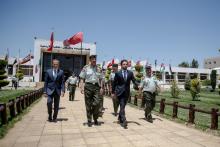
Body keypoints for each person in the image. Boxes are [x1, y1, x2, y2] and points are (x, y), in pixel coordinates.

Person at [112, 59, 137, 129]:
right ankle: (124, 121)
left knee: (123, 106)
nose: (125, 65)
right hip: (119, 92)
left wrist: (138, 85)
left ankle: (120, 117)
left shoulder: (130, 73)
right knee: (122, 105)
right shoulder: (117, 73)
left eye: (126, 64)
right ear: (121, 65)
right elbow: (114, 83)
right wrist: (113, 92)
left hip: (127, 92)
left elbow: (134, 81)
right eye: (124, 64)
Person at [79, 54, 104, 127]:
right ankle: (89, 120)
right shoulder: (86, 68)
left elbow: (102, 78)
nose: (94, 61)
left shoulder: (99, 68)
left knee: (97, 103)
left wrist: (102, 87)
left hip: (96, 86)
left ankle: (95, 118)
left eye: (95, 59)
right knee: (88, 104)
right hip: (88, 86)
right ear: (90, 60)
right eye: (93, 59)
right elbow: (81, 78)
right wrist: (81, 87)